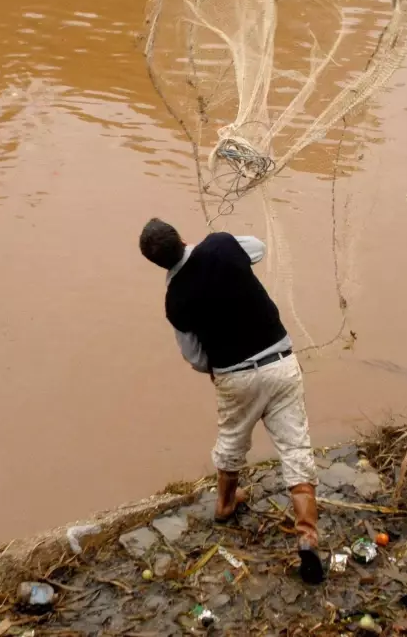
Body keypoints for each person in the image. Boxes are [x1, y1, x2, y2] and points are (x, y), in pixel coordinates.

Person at [139, 218, 324, 584]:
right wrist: (216, 245)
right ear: (181, 235)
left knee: (232, 441)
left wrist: (218, 367)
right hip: (280, 364)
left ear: (157, 263)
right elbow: (257, 247)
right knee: (295, 447)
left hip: (234, 375)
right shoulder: (221, 245)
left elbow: (194, 358)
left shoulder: (174, 301)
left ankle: (225, 504)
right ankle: (307, 535)